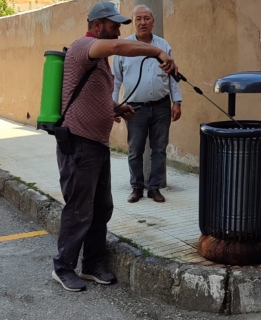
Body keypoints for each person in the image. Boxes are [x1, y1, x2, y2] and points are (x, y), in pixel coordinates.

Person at [52, 1, 176, 292]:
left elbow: (92, 95)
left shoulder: (98, 60)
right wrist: (158, 51)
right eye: (113, 25)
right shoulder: (85, 46)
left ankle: (92, 265)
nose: (119, 30)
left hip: (96, 144)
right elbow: (121, 47)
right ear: (97, 26)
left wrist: (116, 108)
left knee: (100, 207)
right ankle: (62, 267)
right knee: (78, 209)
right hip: (79, 144)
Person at [112, 5, 183, 204]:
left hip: (161, 106)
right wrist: (113, 105)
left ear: (153, 21)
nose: (143, 22)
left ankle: (154, 188)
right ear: (133, 22)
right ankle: (136, 187)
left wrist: (176, 102)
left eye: (146, 18)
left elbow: (173, 76)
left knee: (159, 149)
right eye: (138, 19)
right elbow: (115, 79)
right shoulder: (124, 47)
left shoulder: (163, 45)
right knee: (136, 149)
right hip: (134, 108)